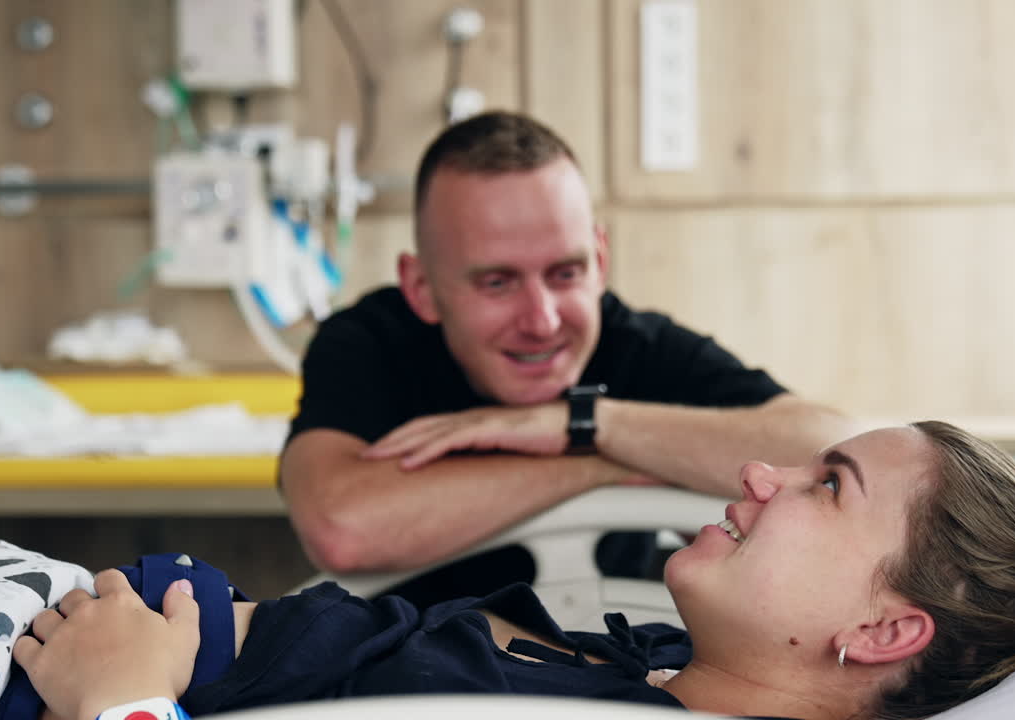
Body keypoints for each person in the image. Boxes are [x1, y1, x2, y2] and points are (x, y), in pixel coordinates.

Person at [0, 421, 1015, 720]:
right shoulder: (649, 666)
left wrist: (122, 704)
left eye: (822, 488)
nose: (757, 478)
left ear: (881, 633)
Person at [280, 110, 855, 605]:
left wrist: (580, 422)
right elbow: (340, 528)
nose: (543, 320)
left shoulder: (635, 346)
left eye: (566, 273)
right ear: (422, 287)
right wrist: (605, 460)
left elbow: (831, 444)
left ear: (600, 261)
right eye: (497, 282)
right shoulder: (368, 343)